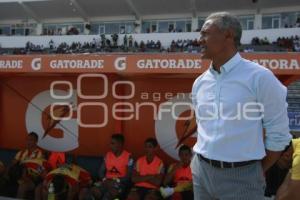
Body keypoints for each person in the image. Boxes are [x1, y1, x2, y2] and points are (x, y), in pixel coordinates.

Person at [190, 12, 291, 199]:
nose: (199, 40)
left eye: (205, 33)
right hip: (201, 172)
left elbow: (279, 134)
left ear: (228, 35)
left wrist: (253, 171)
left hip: (243, 176)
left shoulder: (260, 77)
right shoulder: (200, 83)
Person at [88, 133, 134, 200]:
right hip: (106, 181)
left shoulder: (129, 157)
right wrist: (105, 180)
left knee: (108, 196)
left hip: (119, 183)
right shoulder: (107, 155)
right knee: (93, 191)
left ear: (120, 144)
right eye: (110, 143)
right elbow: (101, 171)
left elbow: (128, 175)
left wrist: (116, 181)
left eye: (112, 143)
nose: (110, 146)